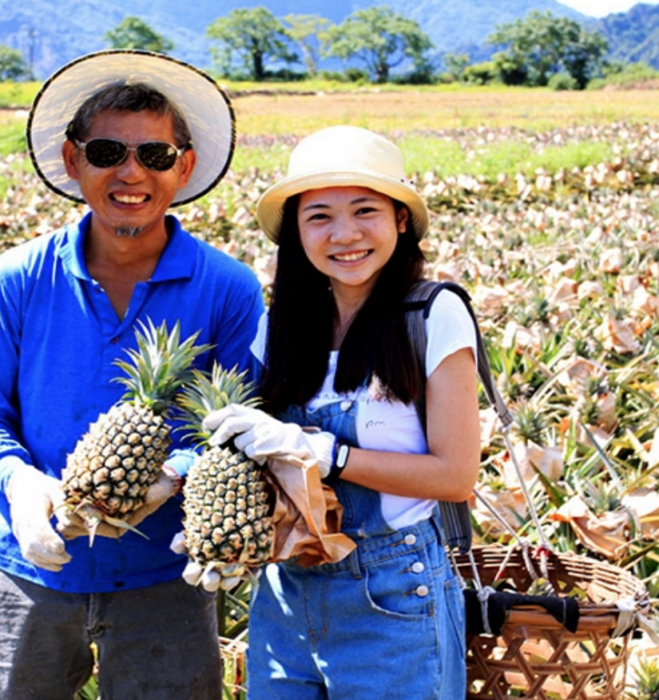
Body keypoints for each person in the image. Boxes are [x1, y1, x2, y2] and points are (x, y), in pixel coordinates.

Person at [0, 50, 264, 700]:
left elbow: (241, 421)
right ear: (73, 161)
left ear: (184, 166)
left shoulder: (228, 289)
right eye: (107, 152)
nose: (130, 173)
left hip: (164, 576)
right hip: (28, 570)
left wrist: (176, 470)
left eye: (153, 155)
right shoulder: (16, 279)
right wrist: (19, 480)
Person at [204, 125, 481, 699]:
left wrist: (329, 453)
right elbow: (247, 444)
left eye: (364, 211)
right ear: (297, 233)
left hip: (394, 597)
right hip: (285, 592)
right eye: (320, 217)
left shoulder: (431, 314)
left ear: (401, 220)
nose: (345, 234)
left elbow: (456, 476)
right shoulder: (278, 326)